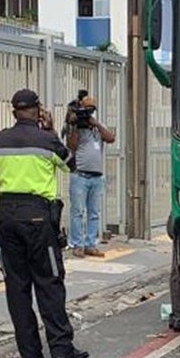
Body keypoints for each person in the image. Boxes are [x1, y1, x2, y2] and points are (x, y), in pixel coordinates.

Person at [0, 89, 89, 358]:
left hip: (6, 217)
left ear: (13, 110)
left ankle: (29, 352)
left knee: (16, 286)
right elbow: (70, 164)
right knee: (49, 281)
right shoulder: (47, 139)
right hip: (39, 219)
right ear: (38, 109)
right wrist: (52, 130)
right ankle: (61, 348)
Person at [64, 90, 116, 258]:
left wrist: (95, 124)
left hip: (96, 177)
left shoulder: (98, 127)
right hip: (80, 175)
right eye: (85, 111)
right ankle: (77, 244)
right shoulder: (75, 128)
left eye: (91, 111)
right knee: (77, 211)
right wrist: (73, 125)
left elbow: (111, 138)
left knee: (94, 213)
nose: (87, 115)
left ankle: (90, 244)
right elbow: (71, 147)